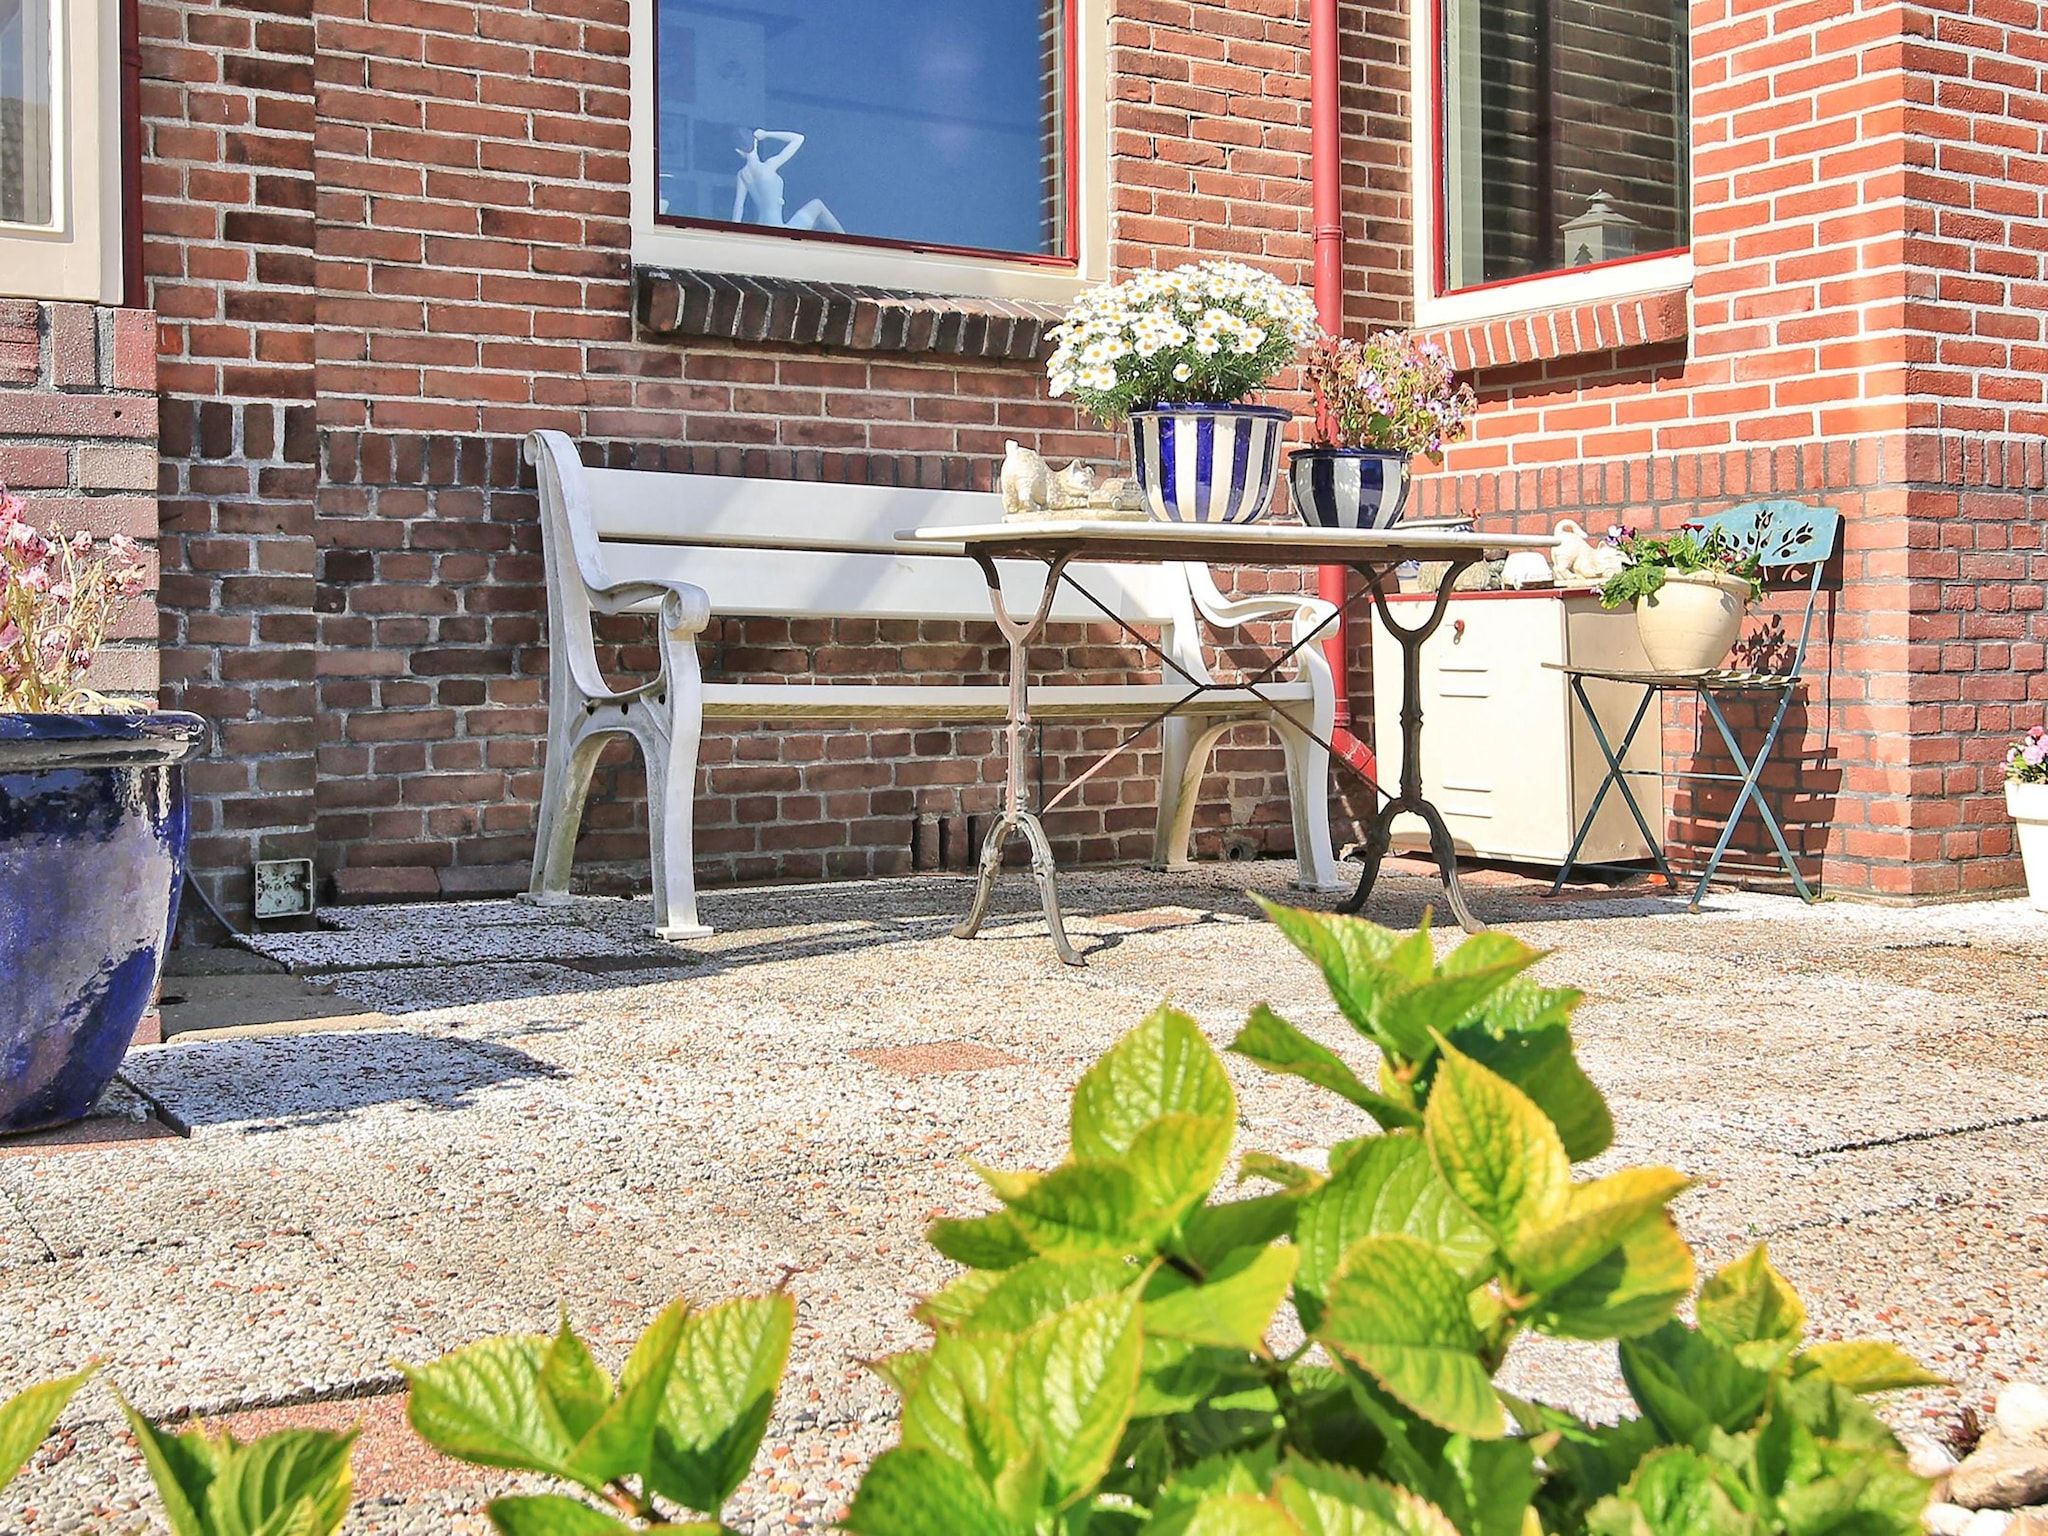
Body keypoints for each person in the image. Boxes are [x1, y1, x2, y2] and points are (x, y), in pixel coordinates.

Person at [731, 129, 843, 233]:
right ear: (756, 142)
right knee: (817, 205)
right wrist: (766, 134)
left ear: (738, 151)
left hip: (761, 227)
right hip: (778, 229)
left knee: (814, 223)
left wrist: (733, 233)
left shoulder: (742, 175)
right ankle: (845, 239)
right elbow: (798, 138)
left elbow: (739, 206)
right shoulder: (769, 165)